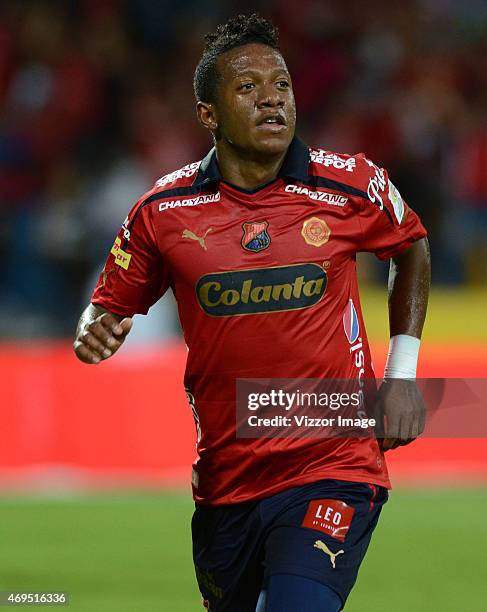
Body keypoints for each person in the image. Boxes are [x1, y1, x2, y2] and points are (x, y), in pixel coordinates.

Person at [73, 13, 430, 612]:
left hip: (333, 461)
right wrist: (94, 329)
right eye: (247, 87)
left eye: (282, 85)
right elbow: (105, 307)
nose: (272, 100)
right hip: (226, 482)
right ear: (208, 114)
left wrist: (402, 375)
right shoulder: (164, 211)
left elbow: (411, 245)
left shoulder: (351, 186)